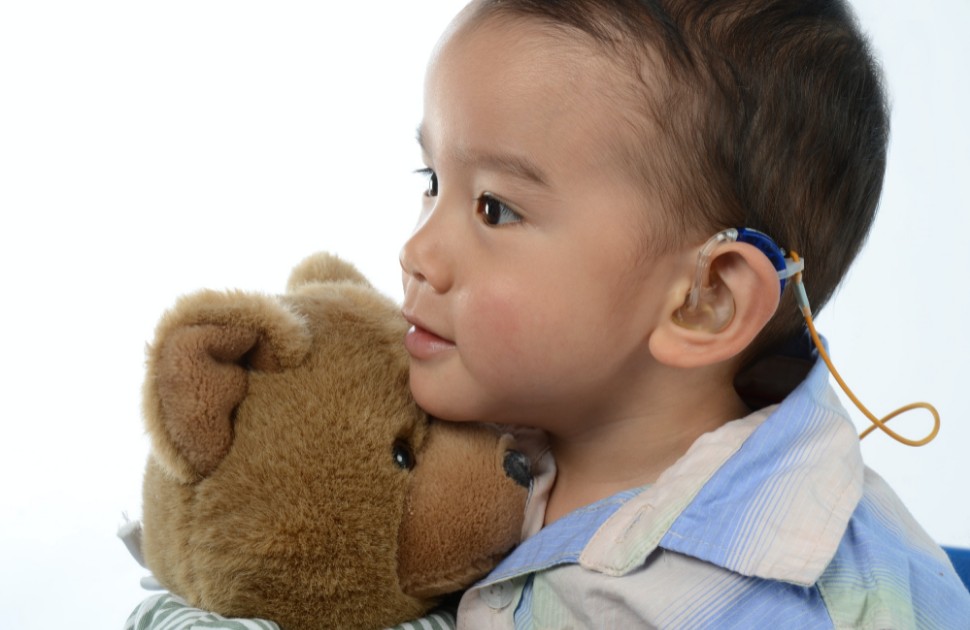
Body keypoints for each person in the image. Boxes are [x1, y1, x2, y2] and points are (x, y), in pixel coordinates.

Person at [127, 0, 970, 628]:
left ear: (704, 300)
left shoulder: (784, 602)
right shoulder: (488, 423)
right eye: (430, 182)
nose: (416, 252)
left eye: (494, 209)